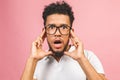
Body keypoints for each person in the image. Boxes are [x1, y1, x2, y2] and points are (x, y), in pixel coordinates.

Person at [21, 1, 107, 80]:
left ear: (71, 33)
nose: (57, 33)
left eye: (64, 27)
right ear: (44, 32)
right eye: (51, 27)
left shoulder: (88, 57)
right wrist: (32, 59)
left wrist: (81, 59)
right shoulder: (36, 63)